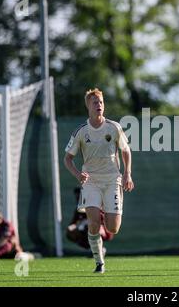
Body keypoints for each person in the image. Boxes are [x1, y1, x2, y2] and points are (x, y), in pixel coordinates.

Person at [64, 88, 134, 273]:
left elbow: (126, 151)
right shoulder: (81, 131)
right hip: (91, 182)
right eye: (95, 102)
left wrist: (127, 174)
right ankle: (99, 262)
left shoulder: (114, 127)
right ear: (88, 106)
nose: (99, 105)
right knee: (93, 222)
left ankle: (105, 210)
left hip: (112, 181)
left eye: (101, 102)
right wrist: (78, 174)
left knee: (113, 228)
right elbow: (67, 159)